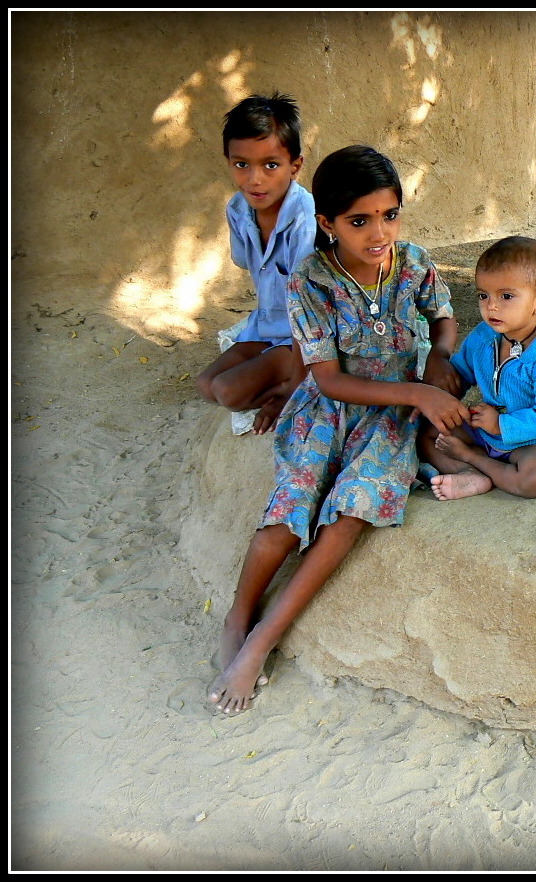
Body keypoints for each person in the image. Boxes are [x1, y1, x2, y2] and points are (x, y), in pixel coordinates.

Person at [207, 145, 468, 714]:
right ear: (326, 222)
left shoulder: (415, 262)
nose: (378, 233)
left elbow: (443, 315)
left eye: (389, 215)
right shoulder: (310, 281)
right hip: (333, 408)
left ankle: (265, 636)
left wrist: (440, 355)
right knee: (290, 507)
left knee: (351, 510)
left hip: (392, 420)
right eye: (359, 221)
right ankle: (239, 613)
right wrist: (418, 392)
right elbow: (327, 379)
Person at [419, 236, 536, 501]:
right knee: (426, 431)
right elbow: (459, 374)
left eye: (506, 296)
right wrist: (432, 396)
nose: (491, 306)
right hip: (482, 428)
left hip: (531, 440)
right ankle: (470, 474)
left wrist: (500, 424)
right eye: (483, 295)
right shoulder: (484, 337)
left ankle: (472, 460)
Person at [196, 92, 316, 435]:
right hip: (266, 326)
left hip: (305, 336)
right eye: (241, 164)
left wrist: (289, 390)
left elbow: (307, 310)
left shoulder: (303, 220)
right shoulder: (238, 209)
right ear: (228, 161)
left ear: (295, 166)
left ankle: (292, 386)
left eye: (271, 165)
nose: (255, 179)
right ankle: (276, 371)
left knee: (229, 392)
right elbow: (247, 263)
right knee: (206, 385)